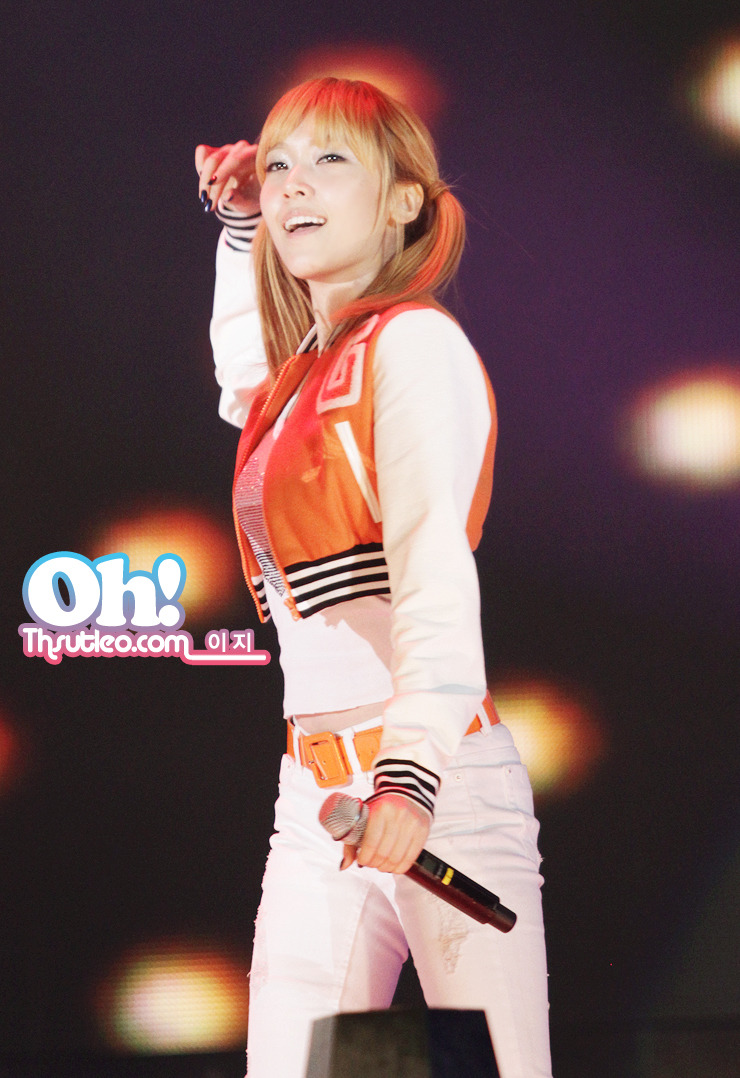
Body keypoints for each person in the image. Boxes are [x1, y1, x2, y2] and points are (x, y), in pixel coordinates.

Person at [196, 77, 552, 1078]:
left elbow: (434, 574)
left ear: (403, 200)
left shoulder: (414, 346)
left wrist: (408, 777)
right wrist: (237, 231)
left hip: (436, 783)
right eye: (278, 164)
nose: (292, 184)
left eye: (329, 160)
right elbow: (245, 382)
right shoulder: (306, 375)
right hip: (315, 797)